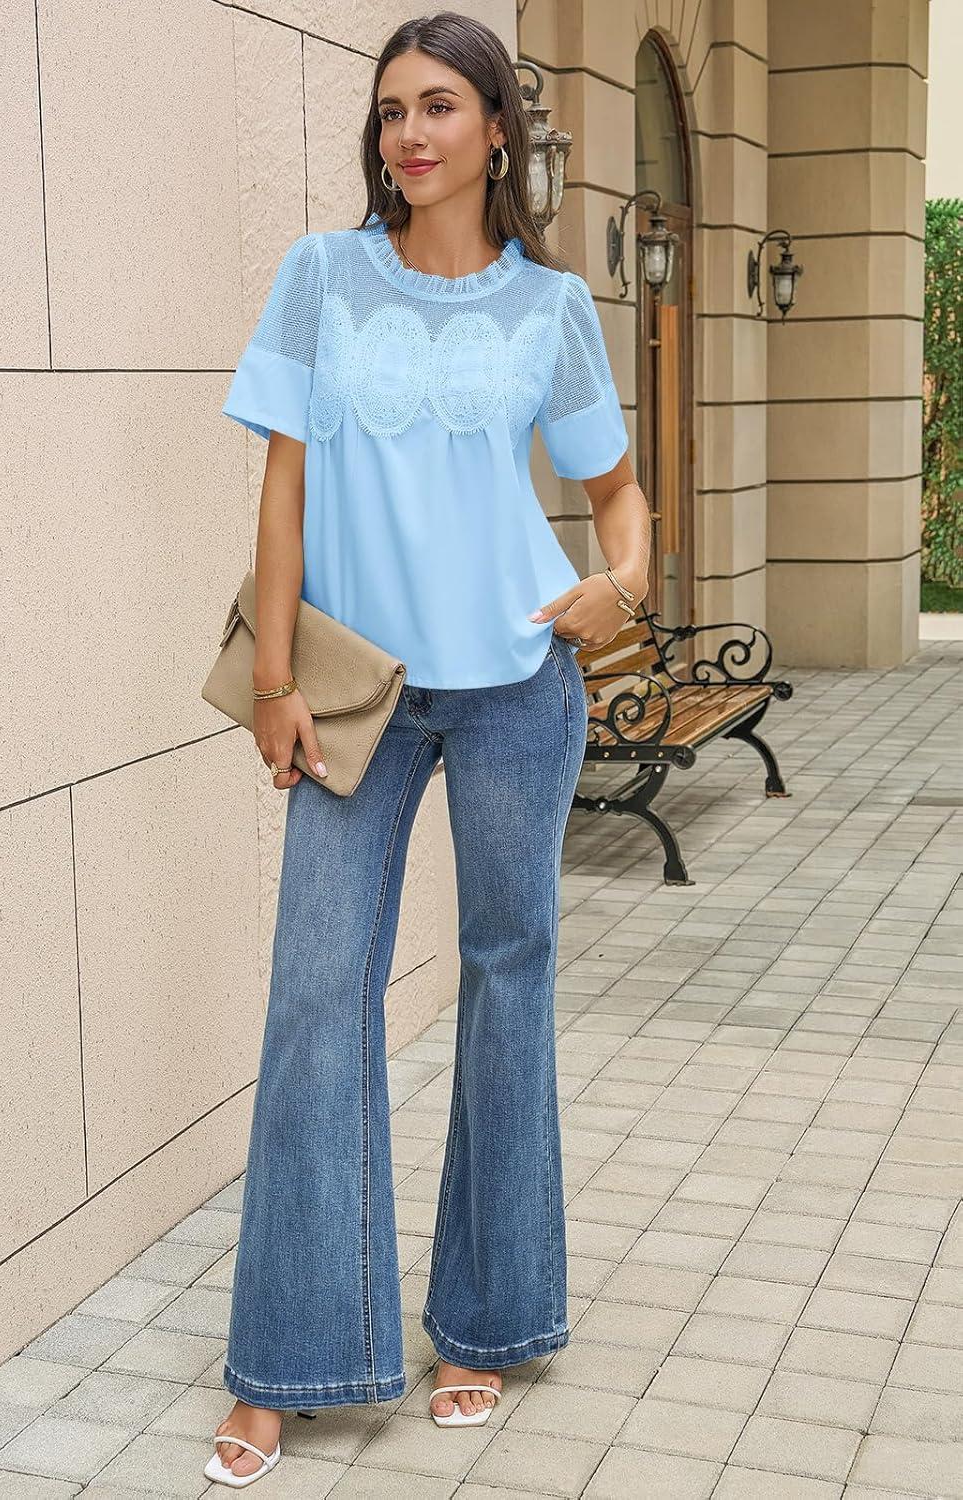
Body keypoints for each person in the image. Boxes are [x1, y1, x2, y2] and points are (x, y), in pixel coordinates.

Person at [204, 10, 652, 1486]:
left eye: (441, 105)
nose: (409, 132)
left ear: (497, 131)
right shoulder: (321, 278)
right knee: (314, 995)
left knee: (507, 983)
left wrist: (623, 581)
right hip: (359, 696)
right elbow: (283, 492)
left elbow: (616, 489)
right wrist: (275, 680)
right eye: (392, 109)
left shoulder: (551, 306)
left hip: (520, 681)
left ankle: (489, 1324)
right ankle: (288, 1357)